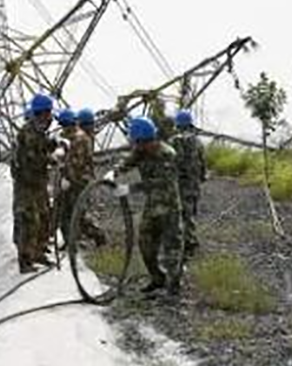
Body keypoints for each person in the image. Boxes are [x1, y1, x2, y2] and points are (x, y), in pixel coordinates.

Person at [111, 116, 184, 297]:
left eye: (137, 142)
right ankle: (157, 278)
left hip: (169, 208)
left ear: (146, 139)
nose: (135, 145)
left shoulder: (167, 154)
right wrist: (115, 171)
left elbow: (161, 182)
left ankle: (173, 286)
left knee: (172, 249)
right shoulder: (140, 151)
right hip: (152, 208)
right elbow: (128, 161)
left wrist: (130, 188)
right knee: (145, 244)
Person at [11, 93, 56, 273]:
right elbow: (33, 160)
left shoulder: (37, 131)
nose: (51, 117)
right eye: (49, 113)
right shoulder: (28, 134)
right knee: (28, 222)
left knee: (44, 217)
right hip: (26, 186)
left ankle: (38, 252)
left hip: (38, 184)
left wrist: (55, 144)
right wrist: (51, 159)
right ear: (42, 113)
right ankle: (25, 261)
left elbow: (44, 144)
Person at [56, 108, 105, 248]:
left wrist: (66, 174)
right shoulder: (76, 138)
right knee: (66, 213)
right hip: (74, 181)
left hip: (78, 182)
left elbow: (76, 164)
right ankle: (72, 241)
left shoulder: (79, 139)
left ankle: (96, 236)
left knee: (76, 214)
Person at [171, 109, 207, 257]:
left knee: (181, 214)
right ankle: (190, 241)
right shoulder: (198, 142)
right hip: (194, 184)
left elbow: (175, 162)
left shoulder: (177, 141)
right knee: (190, 213)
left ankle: (188, 244)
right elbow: (202, 163)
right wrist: (202, 177)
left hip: (182, 184)